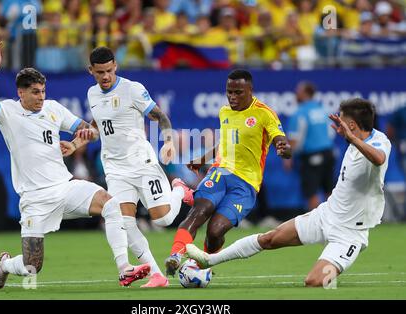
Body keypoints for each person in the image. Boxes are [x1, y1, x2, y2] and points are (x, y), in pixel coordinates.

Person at [0, 39, 150, 289]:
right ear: (21, 92)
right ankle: (5, 265)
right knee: (32, 266)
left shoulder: (54, 109)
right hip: (35, 199)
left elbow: (86, 128)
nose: (41, 97)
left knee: (111, 204)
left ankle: (124, 268)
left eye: (43, 91)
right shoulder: (9, 113)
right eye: (35, 92)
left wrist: (83, 137)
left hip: (65, 188)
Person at [186, 98, 391, 287]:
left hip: (349, 233)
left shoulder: (379, 142)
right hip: (326, 215)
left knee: (314, 281)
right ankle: (208, 260)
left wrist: (352, 139)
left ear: (352, 126)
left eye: (341, 121)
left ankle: (336, 262)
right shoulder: (354, 140)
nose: (338, 127)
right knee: (269, 238)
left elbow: (379, 159)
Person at [62, 46, 193, 287]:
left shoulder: (132, 89)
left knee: (162, 220)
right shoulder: (92, 94)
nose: (105, 76)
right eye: (100, 72)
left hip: (141, 163)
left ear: (116, 67)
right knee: (124, 222)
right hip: (114, 168)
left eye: (109, 71)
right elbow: (97, 126)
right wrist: (75, 143)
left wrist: (169, 141)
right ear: (91, 70)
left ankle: (179, 191)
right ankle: (157, 275)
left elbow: (160, 116)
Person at [164, 69, 292, 276]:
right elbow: (225, 142)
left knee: (215, 231)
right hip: (220, 171)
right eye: (229, 92)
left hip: (246, 183)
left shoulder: (264, 113)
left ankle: (205, 262)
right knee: (199, 211)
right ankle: (176, 255)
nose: (232, 97)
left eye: (238, 92)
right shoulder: (225, 112)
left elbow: (280, 139)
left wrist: (283, 148)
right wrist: (202, 159)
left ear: (250, 90)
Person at [286, 81, 335, 210]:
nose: (296, 93)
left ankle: (316, 226)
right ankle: (336, 224)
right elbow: (331, 133)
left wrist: (288, 157)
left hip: (311, 156)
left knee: (311, 192)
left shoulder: (300, 113)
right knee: (329, 191)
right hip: (328, 153)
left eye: (298, 91)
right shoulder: (323, 110)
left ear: (305, 93)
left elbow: (295, 138)